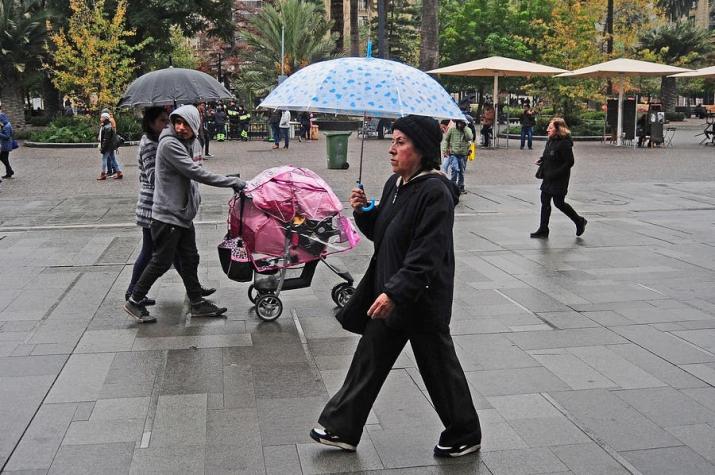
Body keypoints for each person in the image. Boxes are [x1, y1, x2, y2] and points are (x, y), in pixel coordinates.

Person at [310, 115, 482, 458]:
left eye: (400, 142)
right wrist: (364, 213)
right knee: (369, 359)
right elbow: (385, 234)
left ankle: (465, 431)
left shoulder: (434, 192)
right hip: (391, 292)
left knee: (438, 368)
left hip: (419, 297)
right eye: (393, 140)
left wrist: (397, 292)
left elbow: (426, 253)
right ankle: (342, 427)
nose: (391, 149)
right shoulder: (397, 184)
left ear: (422, 150)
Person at [123, 105, 245, 323]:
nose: (180, 128)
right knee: (161, 261)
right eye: (176, 122)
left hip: (180, 214)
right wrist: (231, 182)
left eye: (185, 124)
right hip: (168, 214)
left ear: (195, 124)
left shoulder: (182, 142)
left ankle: (197, 302)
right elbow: (195, 172)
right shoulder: (169, 144)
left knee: (190, 258)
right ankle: (134, 299)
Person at [125, 106, 217, 307]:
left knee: (182, 255)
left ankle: (194, 292)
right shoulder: (152, 143)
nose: (169, 125)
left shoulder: (170, 141)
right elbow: (153, 176)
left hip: (172, 207)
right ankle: (133, 293)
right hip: (154, 205)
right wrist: (177, 168)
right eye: (162, 121)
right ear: (150, 123)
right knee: (154, 255)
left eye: (169, 120)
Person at [531, 117, 587, 238]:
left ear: (558, 129)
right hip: (548, 176)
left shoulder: (565, 143)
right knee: (545, 201)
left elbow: (569, 162)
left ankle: (579, 221)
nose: (547, 129)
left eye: (550, 127)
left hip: (559, 178)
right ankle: (543, 229)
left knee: (559, 203)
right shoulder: (551, 140)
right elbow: (549, 154)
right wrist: (542, 159)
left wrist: (556, 173)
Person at [441, 119, 473, 194]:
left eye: (461, 123)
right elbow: (446, 140)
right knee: (455, 169)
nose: (460, 124)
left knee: (461, 171)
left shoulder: (467, 129)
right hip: (454, 154)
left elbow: (469, 138)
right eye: (459, 122)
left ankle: (460, 186)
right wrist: (445, 150)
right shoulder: (452, 129)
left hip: (463, 154)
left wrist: (465, 128)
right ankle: (453, 185)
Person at [97, 112, 122, 180]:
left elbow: (106, 139)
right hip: (110, 146)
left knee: (104, 159)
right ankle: (119, 172)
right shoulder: (107, 126)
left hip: (107, 146)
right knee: (113, 159)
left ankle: (103, 174)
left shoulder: (107, 127)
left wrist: (103, 148)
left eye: (102, 117)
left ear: (105, 118)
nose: (100, 118)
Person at [0, 113, 15, 179]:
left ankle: (10, 171)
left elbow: (7, 136)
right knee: (5, 159)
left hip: (6, 145)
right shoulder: (6, 124)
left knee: (4, 159)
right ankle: (9, 172)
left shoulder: (7, 126)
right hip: (5, 145)